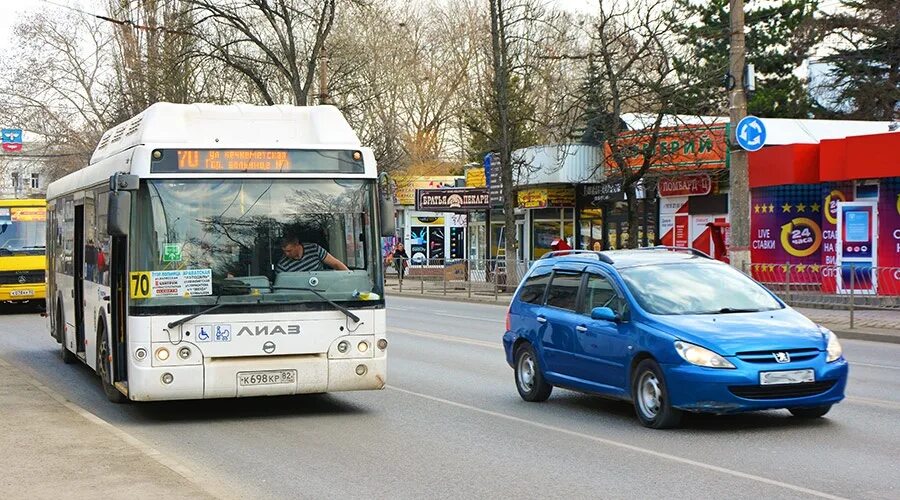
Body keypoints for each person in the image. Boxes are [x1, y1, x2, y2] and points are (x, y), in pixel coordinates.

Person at [276, 235, 348, 272]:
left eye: (289, 251)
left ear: (297, 245)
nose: (286, 254)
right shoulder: (282, 266)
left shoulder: (314, 249)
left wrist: (350, 278)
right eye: (284, 251)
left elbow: (336, 264)